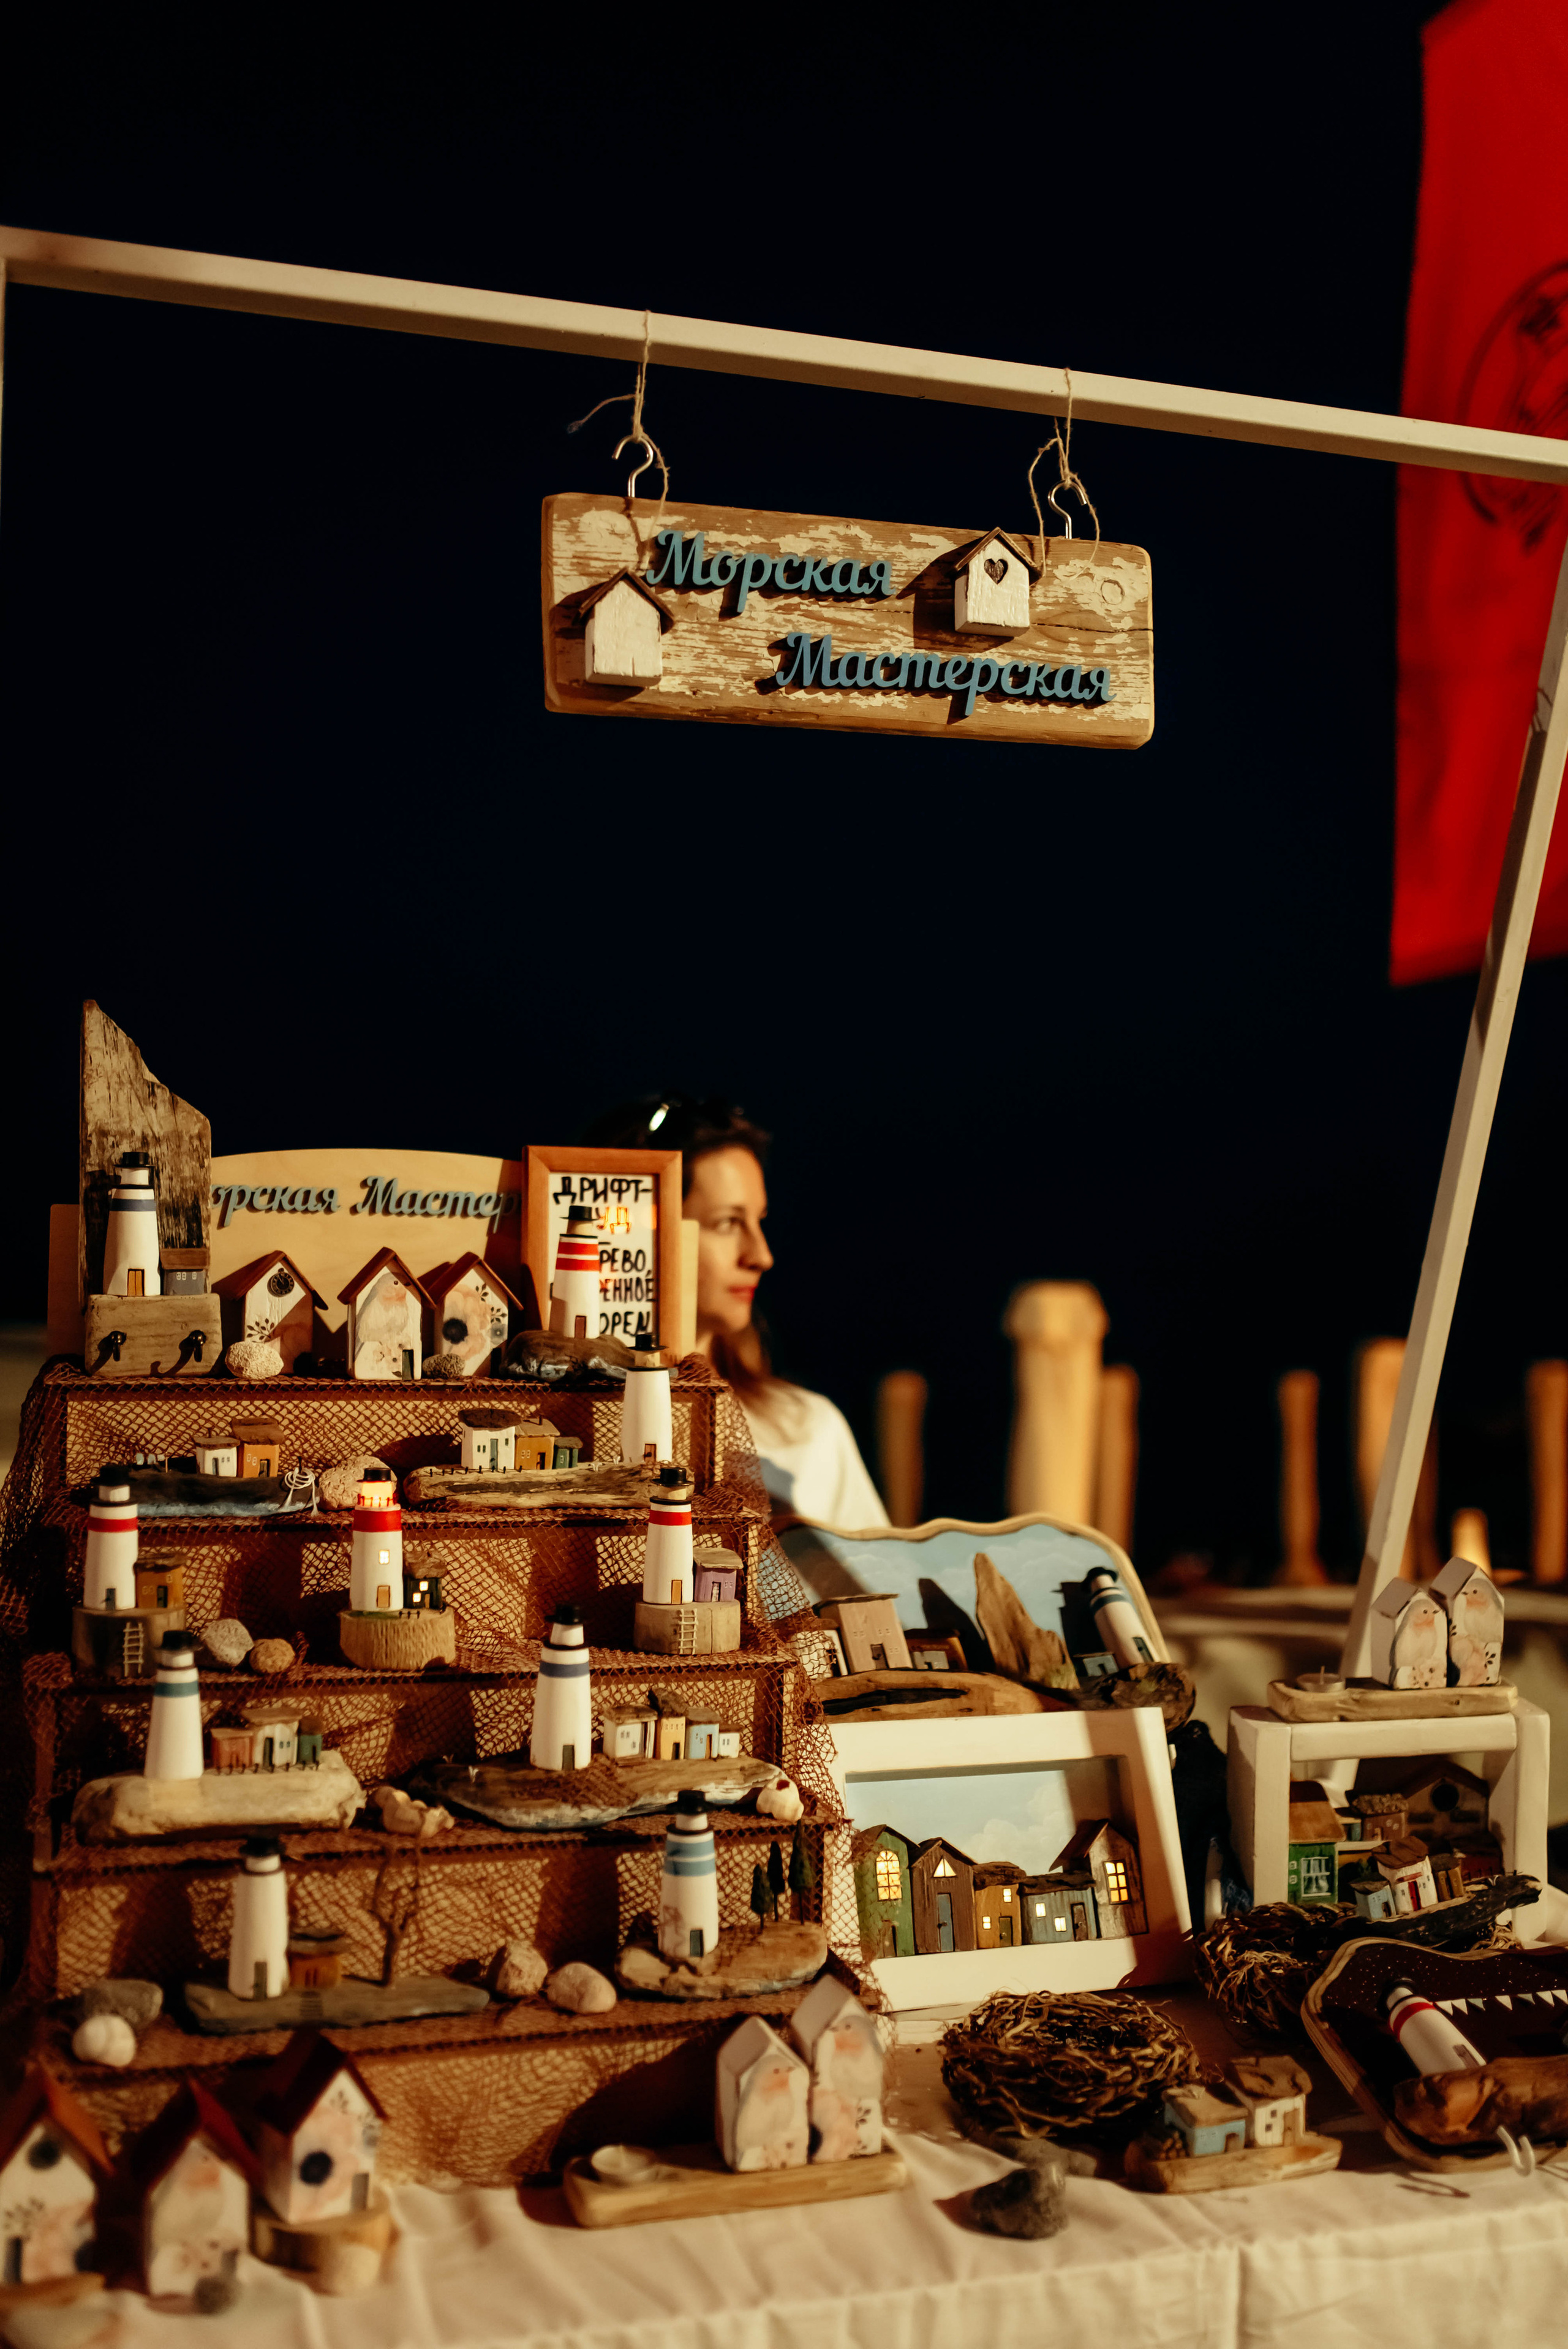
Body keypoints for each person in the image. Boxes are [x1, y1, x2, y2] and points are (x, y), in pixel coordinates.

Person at [579, 1095, 888, 1528]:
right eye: (727, 1222)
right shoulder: (565, 1432)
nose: (761, 1255)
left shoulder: (806, 1430)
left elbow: (878, 1591)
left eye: (758, 1220)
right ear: (636, 1233)